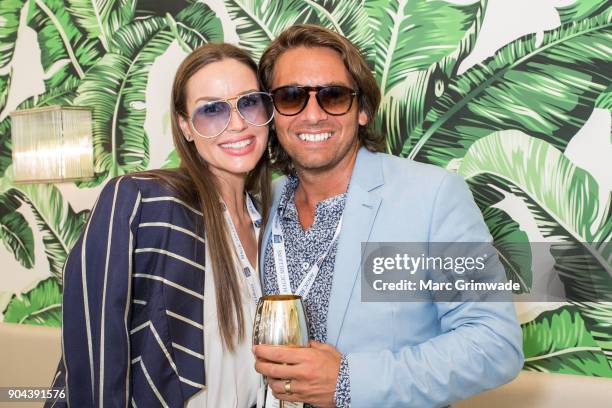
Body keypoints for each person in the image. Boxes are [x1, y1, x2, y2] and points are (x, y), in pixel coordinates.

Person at [253, 24, 524, 408]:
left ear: (362, 110)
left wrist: (349, 381)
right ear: (273, 113)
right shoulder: (261, 204)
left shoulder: (433, 197)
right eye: (291, 96)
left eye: (332, 96)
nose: (312, 115)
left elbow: (495, 343)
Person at [45, 43, 273, 408]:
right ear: (185, 126)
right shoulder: (142, 201)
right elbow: (93, 355)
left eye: (249, 102)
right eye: (212, 110)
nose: (238, 123)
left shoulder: (271, 223)